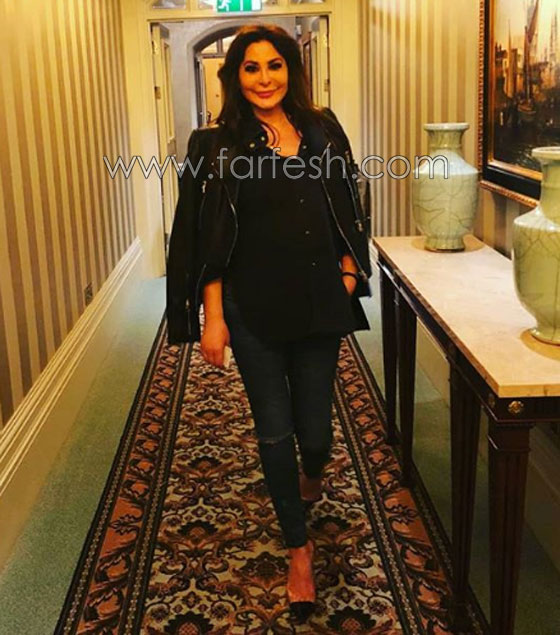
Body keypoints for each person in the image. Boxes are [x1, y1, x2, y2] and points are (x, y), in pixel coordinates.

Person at [166, 24, 372, 623]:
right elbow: (205, 235)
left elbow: (347, 199)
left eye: (274, 65)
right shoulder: (213, 144)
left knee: (317, 437)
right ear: (235, 77)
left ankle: (311, 474)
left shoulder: (322, 128)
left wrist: (348, 272)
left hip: (319, 302)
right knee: (275, 433)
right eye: (251, 68)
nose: (264, 78)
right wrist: (212, 317)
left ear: (291, 70)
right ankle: (298, 549)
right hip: (251, 308)